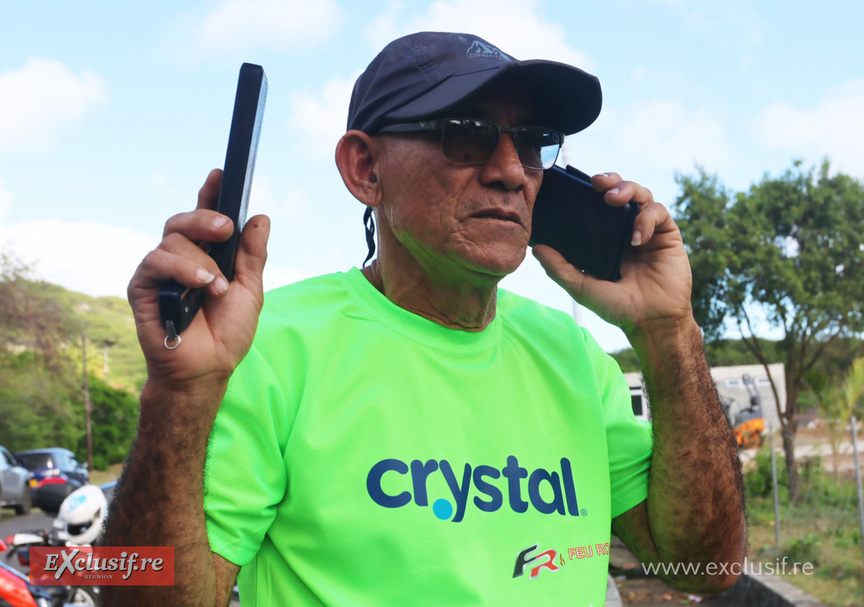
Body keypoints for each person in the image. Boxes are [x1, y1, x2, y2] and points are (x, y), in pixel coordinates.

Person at [102, 31, 746, 606]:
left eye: (531, 142)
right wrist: (179, 399)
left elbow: (707, 567)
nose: (510, 172)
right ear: (365, 168)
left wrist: (669, 334)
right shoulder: (265, 349)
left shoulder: (574, 356)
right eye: (465, 132)